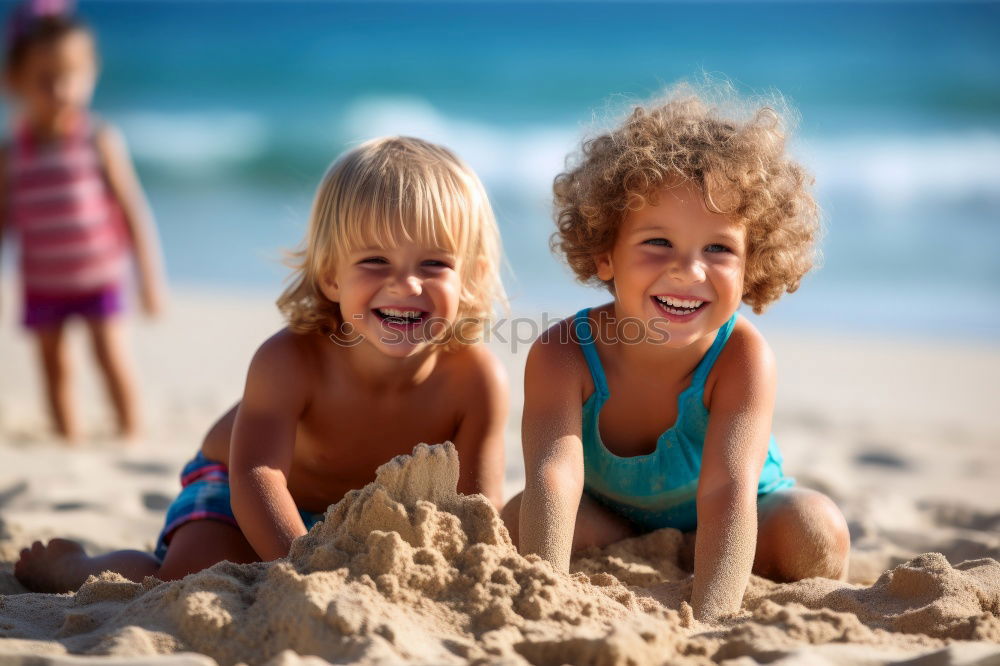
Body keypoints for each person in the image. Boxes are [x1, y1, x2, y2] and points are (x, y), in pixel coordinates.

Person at [15, 136, 509, 592]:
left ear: (470, 277)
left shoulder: (475, 381)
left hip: (358, 515)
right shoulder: (291, 360)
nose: (406, 285)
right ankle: (74, 567)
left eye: (434, 264)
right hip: (240, 490)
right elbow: (256, 474)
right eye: (375, 261)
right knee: (193, 576)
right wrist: (306, 565)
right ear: (331, 275)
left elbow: (477, 511)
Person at [502, 85, 851, 622]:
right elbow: (555, 476)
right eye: (658, 243)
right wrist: (542, 596)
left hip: (742, 515)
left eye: (718, 248)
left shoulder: (741, 357)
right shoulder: (563, 354)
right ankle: (672, 549)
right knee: (518, 514)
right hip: (612, 518)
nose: (689, 271)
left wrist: (710, 621)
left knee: (817, 529)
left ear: (751, 263)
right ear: (604, 253)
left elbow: (728, 490)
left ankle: (698, 557)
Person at [0, 0, 166, 443]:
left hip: (100, 277)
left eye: (71, 77)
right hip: (42, 282)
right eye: (44, 79)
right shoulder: (12, 154)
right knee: (54, 367)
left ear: (91, 74)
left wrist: (149, 278)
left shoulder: (98, 139)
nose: (61, 91)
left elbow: (133, 210)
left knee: (111, 357)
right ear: (12, 81)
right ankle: (67, 441)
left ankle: (129, 433)